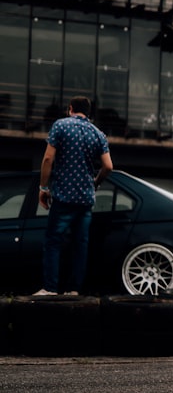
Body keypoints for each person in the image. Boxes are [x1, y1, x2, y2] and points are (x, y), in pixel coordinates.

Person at [35, 96, 113, 295]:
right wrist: (95, 182)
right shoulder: (98, 134)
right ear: (88, 113)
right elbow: (108, 166)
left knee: (53, 241)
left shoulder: (60, 126)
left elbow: (47, 159)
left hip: (63, 197)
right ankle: (73, 291)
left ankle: (50, 288)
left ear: (70, 109)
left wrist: (43, 188)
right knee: (80, 245)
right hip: (85, 199)